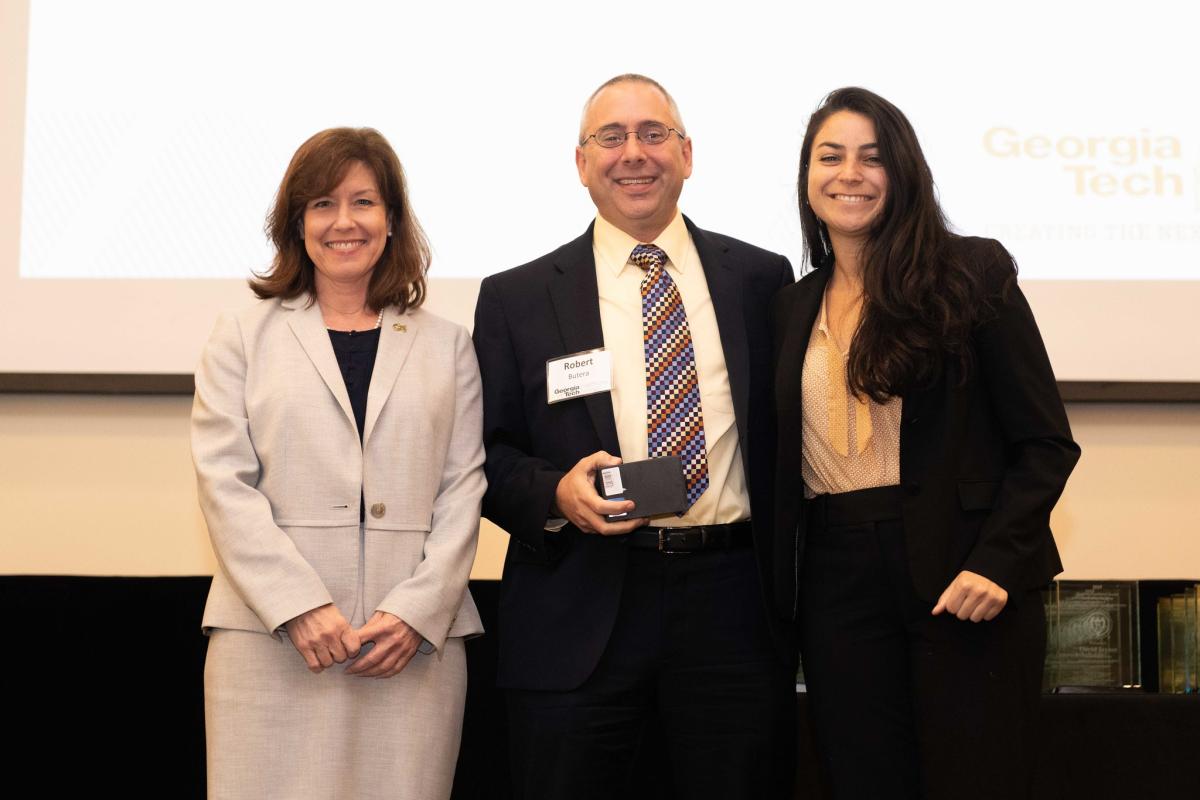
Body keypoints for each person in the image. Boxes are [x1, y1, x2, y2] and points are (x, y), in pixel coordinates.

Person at [472, 74, 797, 799]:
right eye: (610, 138)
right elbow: (483, 457)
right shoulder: (517, 297)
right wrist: (554, 492)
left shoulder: (761, 279)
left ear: (687, 153)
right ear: (581, 163)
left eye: (653, 134)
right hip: (578, 605)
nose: (634, 154)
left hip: (732, 606)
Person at [772, 87, 1080, 800]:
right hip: (836, 582)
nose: (849, 173)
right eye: (831, 156)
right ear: (807, 177)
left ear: (903, 172)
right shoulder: (790, 305)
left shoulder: (971, 273)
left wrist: (997, 563)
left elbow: (1045, 443)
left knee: (976, 779)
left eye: (872, 158)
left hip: (963, 581)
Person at [191, 127, 485, 800]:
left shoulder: (448, 346)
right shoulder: (241, 335)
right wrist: (298, 606)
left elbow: (463, 487)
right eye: (322, 204)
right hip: (269, 645)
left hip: (408, 650)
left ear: (392, 221)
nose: (344, 222)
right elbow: (223, 482)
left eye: (364, 202)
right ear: (296, 224)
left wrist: (416, 612)